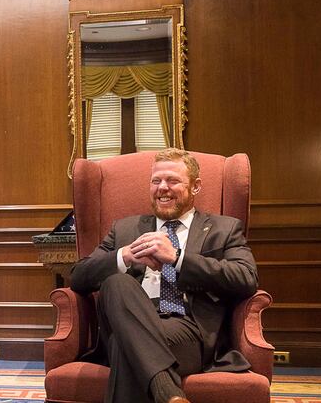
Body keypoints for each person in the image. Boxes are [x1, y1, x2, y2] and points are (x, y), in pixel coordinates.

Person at [70, 148, 258, 403]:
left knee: (123, 348)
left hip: (187, 330)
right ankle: (169, 395)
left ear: (196, 186)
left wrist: (178, 258)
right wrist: (124, 256)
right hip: (130, 317)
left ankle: (165, 392)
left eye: (173, 180)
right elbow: (78, 277)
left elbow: (246, 278)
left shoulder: (223, 228)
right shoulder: (125, 229)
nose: (163, 188)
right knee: (117, 282)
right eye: (156, 181)